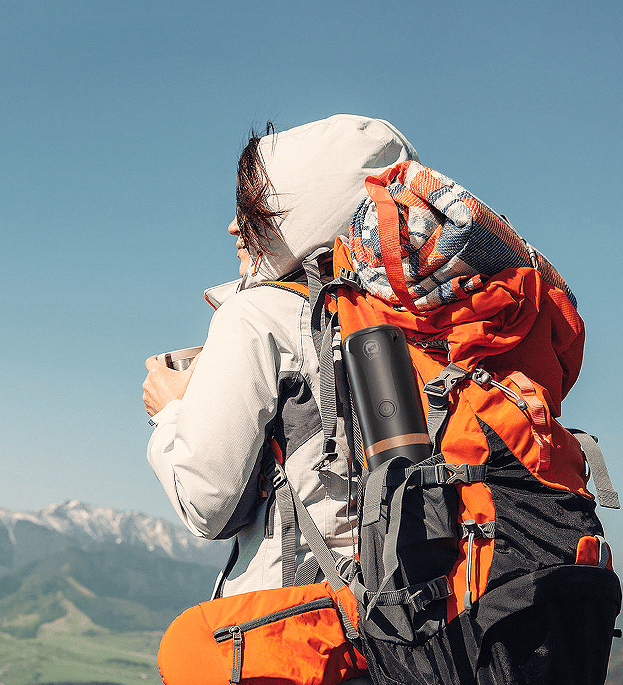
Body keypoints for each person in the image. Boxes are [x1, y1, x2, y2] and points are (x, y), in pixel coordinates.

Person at [142, 114, 418, 600]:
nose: (232, 227)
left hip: (308, 630)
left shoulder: (257, 316)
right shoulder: (415, 320)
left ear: (302, 215)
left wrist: (170, 412)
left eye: (253, 209)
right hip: (415, 622)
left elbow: (208, 506)